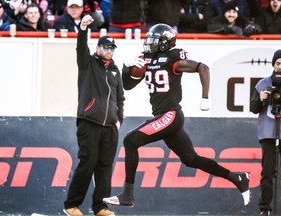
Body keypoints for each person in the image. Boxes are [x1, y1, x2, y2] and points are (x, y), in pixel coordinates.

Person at [102, 23, 251, 209]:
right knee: (191, 159)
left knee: (131, 140)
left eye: (154, 40)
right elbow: (128, 85)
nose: (150, 43)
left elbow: (203, 67)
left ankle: (127, 195)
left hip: (170, 114)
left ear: (166, 42)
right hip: (164, 116)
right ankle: (238, 178)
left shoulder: (172, 57)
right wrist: (126, 67)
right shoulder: (147, 58)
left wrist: (205, 98)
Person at [63, 14, 125, 216]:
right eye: (105, 47)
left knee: (105, 168)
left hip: (110, 127)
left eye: (112, 48)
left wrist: (118, 120)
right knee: (87, 163)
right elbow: (81, 47)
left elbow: (120, 98)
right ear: (98, 47)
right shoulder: (88, 63)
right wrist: (82, 29)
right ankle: (71, 205)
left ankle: (100, 207)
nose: (109, 51)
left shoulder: (115, 71)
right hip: (89, 122)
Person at [250, 49, 281, 216]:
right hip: (268, 133)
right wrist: (260, 98)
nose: (280, 67)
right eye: (278, 64)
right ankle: (265, 209)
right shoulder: (262, 84)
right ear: (273, 64)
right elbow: (253, 109)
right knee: (267, 173)